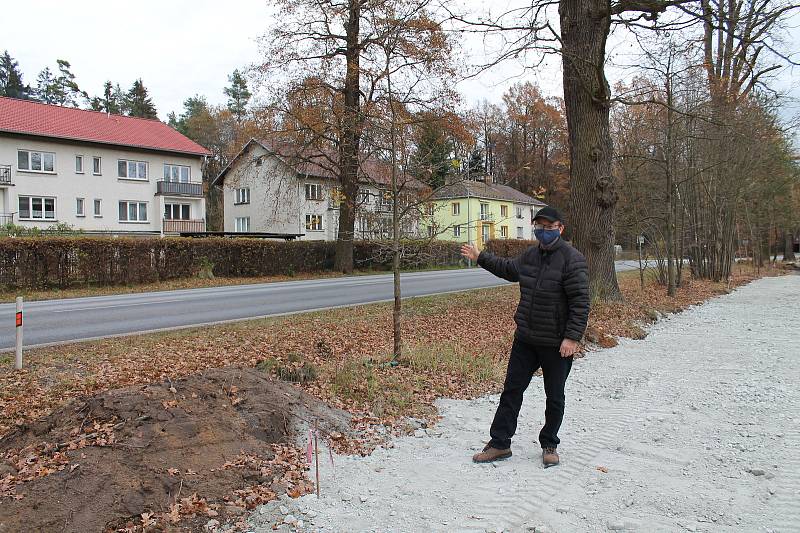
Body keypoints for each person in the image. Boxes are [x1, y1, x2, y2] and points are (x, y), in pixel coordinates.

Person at [460, 206, 590, 467]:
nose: (543, 232)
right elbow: (508, 269)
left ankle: (549, 443)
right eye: (539, 227)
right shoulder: (531, 255)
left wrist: (572, 338)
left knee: (554, 396)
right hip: (526, 339)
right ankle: (499, 443)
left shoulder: (572, 259)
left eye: (549, 227)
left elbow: (580, 302)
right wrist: (480, 257)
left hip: (556, 344)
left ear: (560, 228)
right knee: (511, 391)